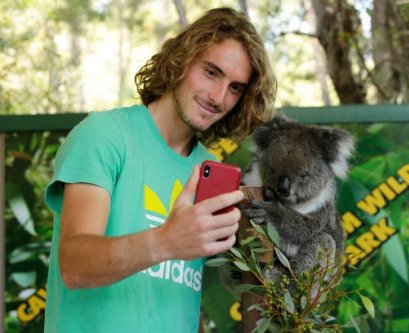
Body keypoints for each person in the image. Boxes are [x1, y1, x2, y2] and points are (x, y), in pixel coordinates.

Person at [44, 7, 276, 332]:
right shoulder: (104, 135)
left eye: (235, 88)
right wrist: (166, 240)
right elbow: (74, 265)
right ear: (182, 59)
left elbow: (181, 290)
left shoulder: (211, 170)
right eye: (211, 72)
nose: (218, 97)